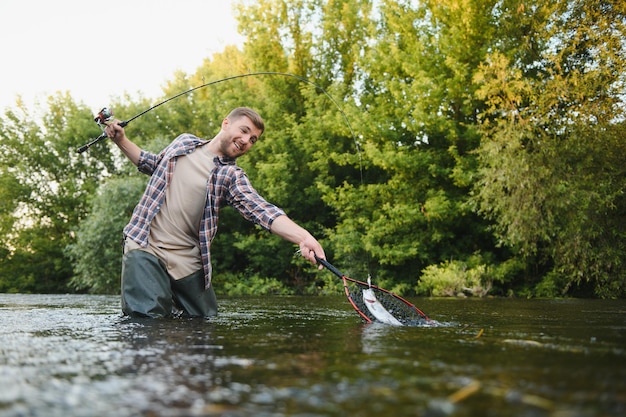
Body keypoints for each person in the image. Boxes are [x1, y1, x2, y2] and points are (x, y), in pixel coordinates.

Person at [104, 107, 325, 318]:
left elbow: (261, 210)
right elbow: (153, 164)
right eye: (244, 131)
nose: (246, 141)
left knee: (204, 322)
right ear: (226, 123)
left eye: (253, 140)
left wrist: (303, 237)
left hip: (188, 257)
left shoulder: (230, 175)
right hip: (145, 243)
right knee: (146, 320)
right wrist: (120, 140)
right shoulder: (184, 143)